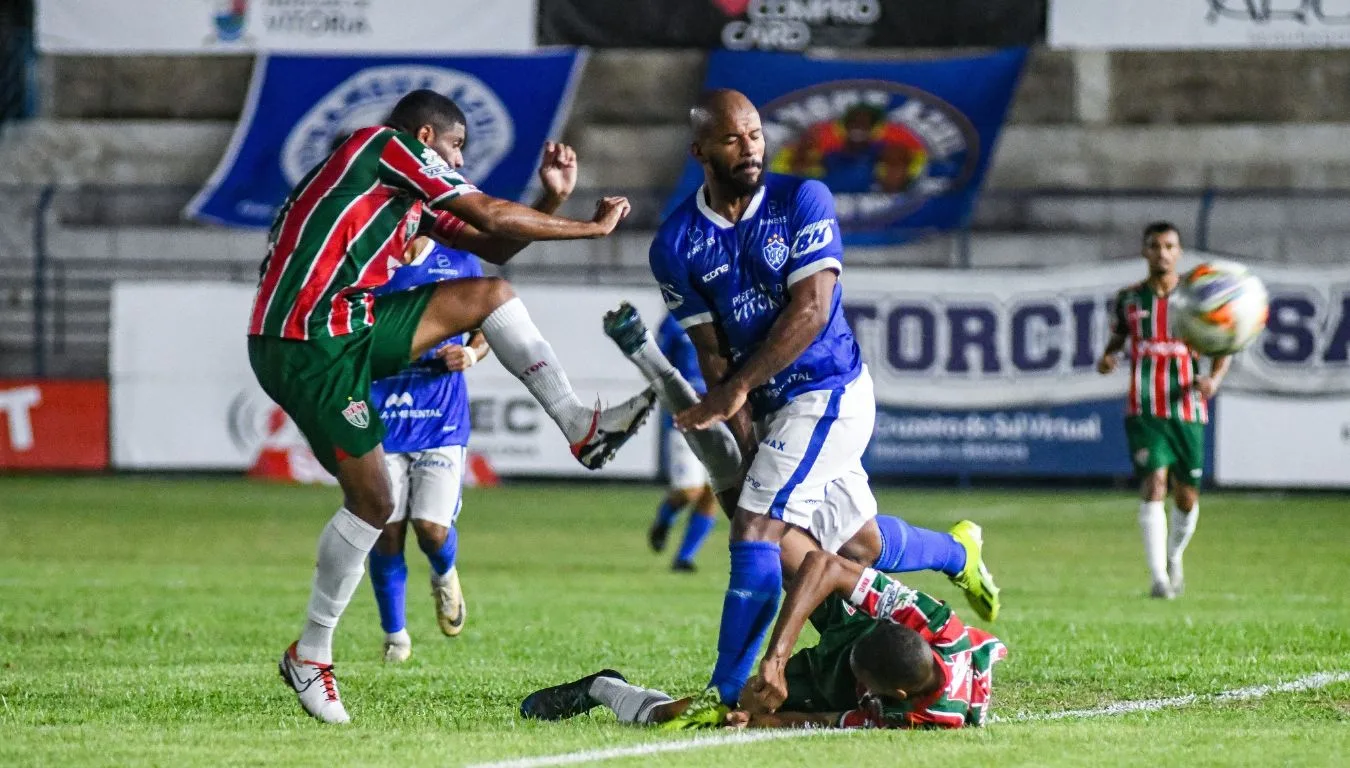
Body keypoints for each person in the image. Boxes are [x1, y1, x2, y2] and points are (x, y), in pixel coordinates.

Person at [255, 89, 656, 723]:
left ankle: (579, 425)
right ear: (423, 140)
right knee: (375, 504)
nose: (460, 161)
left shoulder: (403, 200)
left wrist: (551, 200)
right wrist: (591, 226)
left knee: (488, 292)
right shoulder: (381, 147)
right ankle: (313, 652)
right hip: (302, 342)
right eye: (456, 146)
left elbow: (491, 245)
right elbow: (490, 213)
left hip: (349, 327)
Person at [636, 88, 1001, 712]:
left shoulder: (802, 198)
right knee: (861, 546)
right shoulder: (675, 244)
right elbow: (713, 353)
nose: (750, 147)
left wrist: (738, 389)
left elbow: (812, 309)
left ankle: (725, 692)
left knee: (755, 526)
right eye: (733, 138)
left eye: (755, 134)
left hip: (830, 390)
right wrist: (746, 433)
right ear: (700, 149)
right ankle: (956, 550)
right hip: (776, 408)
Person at [520, 544, 1007, 730]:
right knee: (782, 538)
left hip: (837, 679)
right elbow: (825, 565)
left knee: (702, 715)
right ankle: (741, 487)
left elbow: (828, 720)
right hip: (866, 634)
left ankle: (604, 688)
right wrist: (777, 657)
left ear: (890, 696)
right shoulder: (936, 625)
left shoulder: (924, 716)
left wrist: (753, 721)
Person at [366, 238, 487, 662]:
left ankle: (445, 573)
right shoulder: (367, 260)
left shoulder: (458, 261)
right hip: (381, 415)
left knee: (431, 529)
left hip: (440, 416)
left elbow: (487, 321)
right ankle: (395, 637)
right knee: (386, 530)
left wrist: (471, 353)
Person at [1098, 222, 1229, 600]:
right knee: (1154, 483)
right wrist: (1109, 357)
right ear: (1144, 252)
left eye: (1169, 246)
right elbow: (1118, 340)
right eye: (1154, 246)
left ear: (1179, 252)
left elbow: (1224, 344)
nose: (1162, 253)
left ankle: (1174, 558)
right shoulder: (1129, 300)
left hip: (1188, 408)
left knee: (1186, 495)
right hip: (1145, 408)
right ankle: (1158, 579)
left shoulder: (1198, 299)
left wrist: (1214, 381)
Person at [647, 314, 719, 572]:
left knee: (714, 492)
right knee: (690, 489)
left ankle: (684, 558)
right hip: (684, 415)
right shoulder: (674, 322)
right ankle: (665, 517)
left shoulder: (726, 312)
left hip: (721, 414)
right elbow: (656, 365)